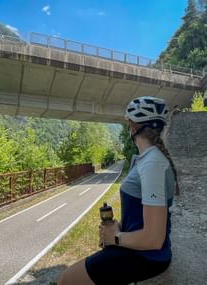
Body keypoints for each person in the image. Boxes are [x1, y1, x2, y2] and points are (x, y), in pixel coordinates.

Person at [58, 96, 179, 285]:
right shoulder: (146, 159)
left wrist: (114, 237)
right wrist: (118, 228)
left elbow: (154, 239)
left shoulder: (152, 164)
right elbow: (140, 215)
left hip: (147, 257)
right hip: (137, 248)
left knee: (67, 280)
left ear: (132, 127)